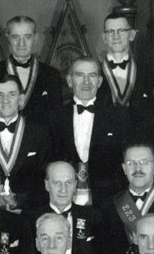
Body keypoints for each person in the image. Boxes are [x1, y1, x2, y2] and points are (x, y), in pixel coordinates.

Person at [49, 55, 131, 205]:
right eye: (79, 75)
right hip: (64, 199)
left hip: (108, 201)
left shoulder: (119, 116)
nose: (86, 82)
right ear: (69, 80)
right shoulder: (54, 117)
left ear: (99, 82)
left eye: (92, 75)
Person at [0, 76, 52, 213]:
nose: (5, 100)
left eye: (11, 94)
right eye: (0, 95)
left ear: (21, 99)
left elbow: (44, 176)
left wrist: (19, 199)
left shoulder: (39, 132)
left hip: (28, 209)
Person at [0, 16, 66, 123]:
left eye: (27, 37)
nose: (21, 43)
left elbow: (57, 118)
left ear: (35, 38)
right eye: (15, 37)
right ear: (8, 37)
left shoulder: (51, 74)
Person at [95, 14, 154, 124]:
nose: (116, 36)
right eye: (110, 31)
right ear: (104, 37)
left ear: (131, 35)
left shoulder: (148, 73)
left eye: (121, 30)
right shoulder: (94, 73)